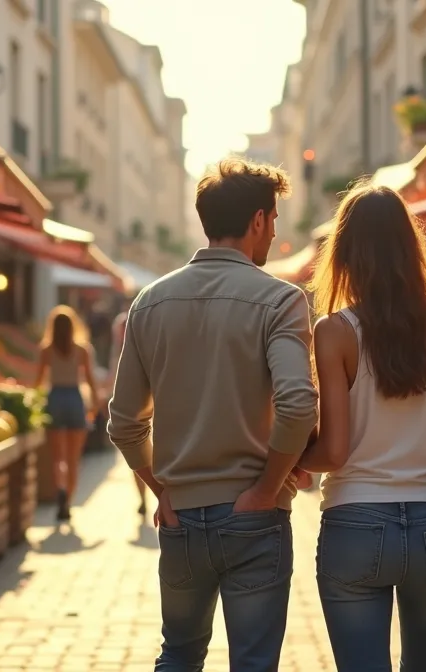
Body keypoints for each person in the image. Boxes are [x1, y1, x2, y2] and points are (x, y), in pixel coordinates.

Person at [107, 157, 318, 671]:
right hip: (254, 514)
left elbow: (123, 421)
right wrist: (268, 489)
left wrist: (162, 491)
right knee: (252, 661)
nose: (273, 233)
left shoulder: (149, 302)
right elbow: (298, 403)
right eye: (274, 220)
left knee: (178, 655)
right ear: (259, 221)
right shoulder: (281, 300)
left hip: (181, 517)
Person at [298, 184, 426, 671]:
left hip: (355, 523)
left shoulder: (335, 331)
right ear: (410, 247)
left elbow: (334, 453)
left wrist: (293, 460)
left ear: (344, 254)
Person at [34, 305, 101, 523]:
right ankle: (69, 500)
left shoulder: (46, 349)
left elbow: (38, 382)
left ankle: (59, 490)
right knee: (73, 458)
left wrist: (33, 403)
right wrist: (95, 406)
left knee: (57, 458)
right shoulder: (82, 350)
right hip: (74, 399)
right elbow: (90, 380)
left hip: (54, 399)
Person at [107, 305, 148, 517]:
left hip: (132, 399)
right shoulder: (148, 327)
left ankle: (145, 495)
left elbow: (123, 427)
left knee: (136, 444)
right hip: (156, 401)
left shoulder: (124, 331)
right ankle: (149, 495)